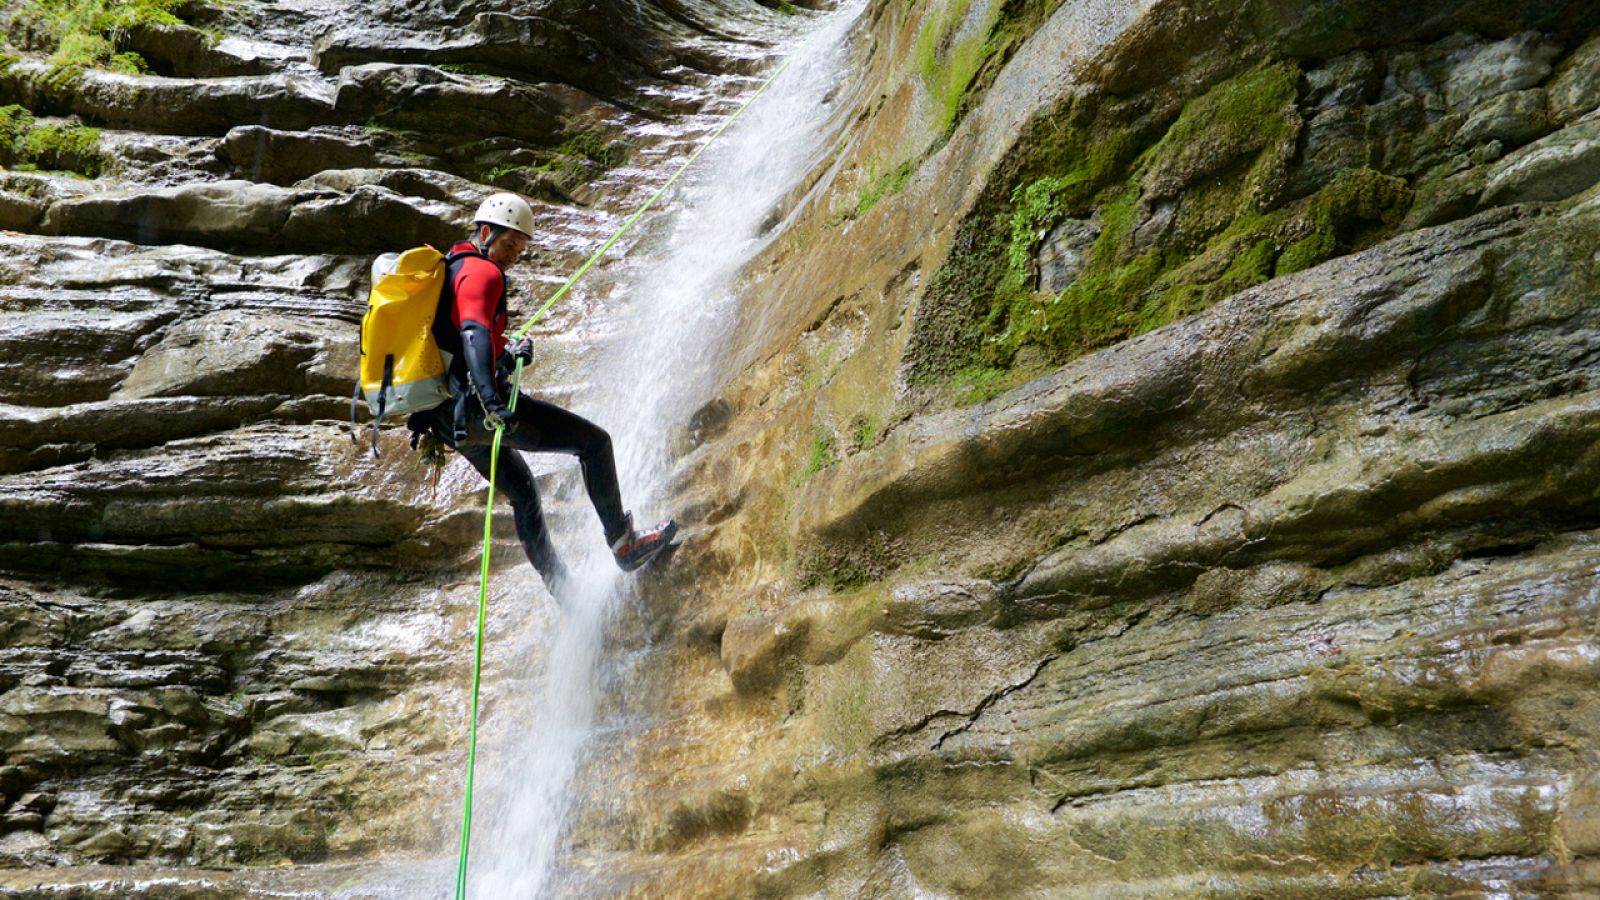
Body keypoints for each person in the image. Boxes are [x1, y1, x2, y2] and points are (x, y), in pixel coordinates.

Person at [410, 193, 676, 600]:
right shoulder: (483, 273)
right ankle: (624, 544)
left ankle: (563, 593)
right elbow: (473, 334)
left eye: (520, 247)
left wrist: (509, 355)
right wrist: (493, 401)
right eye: (509, 244)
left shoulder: (454, 270)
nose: (514, 254)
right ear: (485, 233)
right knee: (594, 443)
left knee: (522, 492)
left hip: (449, 420)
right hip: (480, 410)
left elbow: (465, 342)